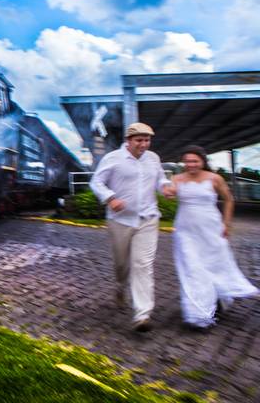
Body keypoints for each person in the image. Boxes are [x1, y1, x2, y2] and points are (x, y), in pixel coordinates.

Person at [90, 122, 174, 332]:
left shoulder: (153, 158)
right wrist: (110, 199)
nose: (143, 144)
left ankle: (142, 314)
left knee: (143, 264)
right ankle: (120, 286)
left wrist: (165, 187)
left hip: (148, 218)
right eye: (139, 140)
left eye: (147, 140)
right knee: (122, 265)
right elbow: (96, 182)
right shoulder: (113, 158)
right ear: (128, 140)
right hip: (121, 220)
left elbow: (160, 179)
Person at [170, 145, 258, 329]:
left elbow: (229, 199)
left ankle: (217, 296)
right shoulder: (177, 178)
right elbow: (169, 193)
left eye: (195, 161)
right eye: (187, 161)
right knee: (192, 267)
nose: (190, 164)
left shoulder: (215, 178)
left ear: (203, 161)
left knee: (213, 264)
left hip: (211, 228)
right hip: (185, 230)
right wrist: (168, 192)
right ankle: (198, 312)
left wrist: (227, 223)